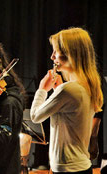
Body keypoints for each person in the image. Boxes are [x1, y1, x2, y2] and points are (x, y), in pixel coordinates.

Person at [30, 27, 103, 174]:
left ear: (70, 54)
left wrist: (42, 89)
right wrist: (58, 90)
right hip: (79, 166)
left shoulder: (69, 90)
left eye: (55, 52)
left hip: (69, 168)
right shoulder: (85, 85)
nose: (52, 57)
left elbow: (35, 116)